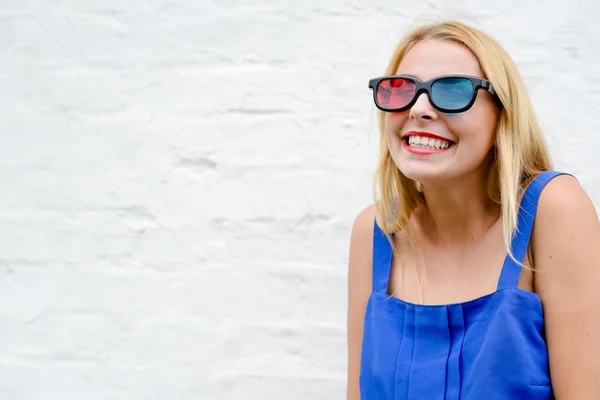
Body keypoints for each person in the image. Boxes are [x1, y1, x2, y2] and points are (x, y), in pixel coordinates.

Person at [346, 20, 600, 400]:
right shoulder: (375, 230)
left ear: (502, 116)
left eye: (452, 90)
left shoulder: (553, 209)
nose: (418, 109)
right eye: (401, 89)